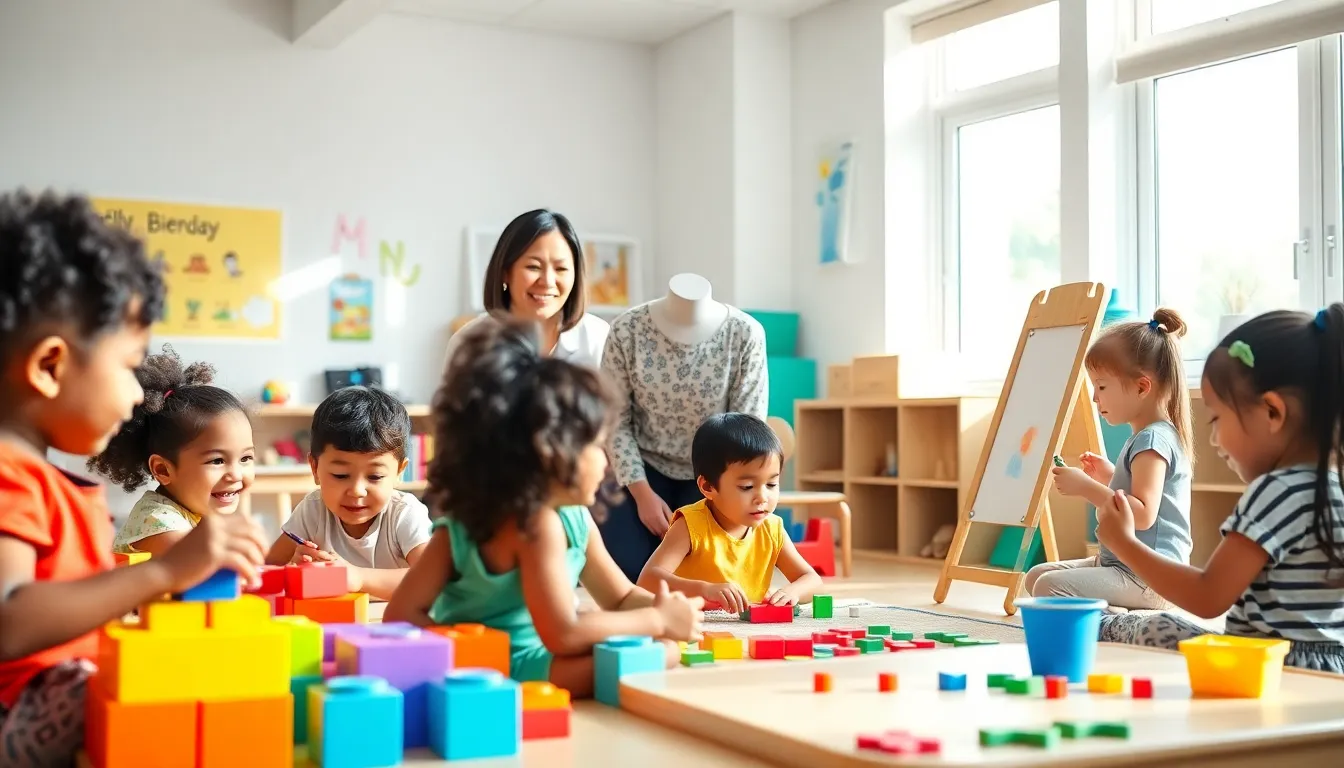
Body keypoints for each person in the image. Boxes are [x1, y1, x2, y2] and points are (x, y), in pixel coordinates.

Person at [0, 190, 267, 767]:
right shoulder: (9, 477)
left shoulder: (38, 478)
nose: (134, 394)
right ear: (50, 367)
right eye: (127, 367)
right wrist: (168, 570)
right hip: (29, 708)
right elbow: (8, 621)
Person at [386, 315, 702, 696]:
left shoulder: (570, 517)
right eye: (596, 446)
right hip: (518, 671)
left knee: (661, 645)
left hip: (530, 657)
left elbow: (618, 597)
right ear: (554, 453)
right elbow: (564, 635)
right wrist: (655, 619)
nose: (605, 461)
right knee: (662, 653)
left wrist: (669, 612)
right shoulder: (537, 526)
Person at [1096, 306, 1344, 673]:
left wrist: (1125, 545)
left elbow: (1209, 595)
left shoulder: (1275, 492)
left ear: (1272, 413)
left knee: (1152, 627)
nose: (1213, 439)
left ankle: (1098, 627)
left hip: (1265, 666)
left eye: (1217, 418)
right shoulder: (1333, 489)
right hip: (1332, 669)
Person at [1025, 308, 1194, 611]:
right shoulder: (1149, 436)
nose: (1094, 397)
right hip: (1123, 566)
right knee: (1037, 576)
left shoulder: (1152, 440)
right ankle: (1116, 610)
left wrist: (1087, 487)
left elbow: (1142, 515)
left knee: (1047, 586)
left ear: (1142, 387)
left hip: (1150, 578)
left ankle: (1118, 620)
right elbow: (1139, 494)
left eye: (1101, 387)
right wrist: (1111, 475)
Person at [637, 413, 821, 613]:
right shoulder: (690, 525)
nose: (762, 497)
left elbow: (812, 580)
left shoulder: (771, 528)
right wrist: (704, 589)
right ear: (708, 486)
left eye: (771, 484)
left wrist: (792, 592)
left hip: (747, 630)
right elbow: (647, 580)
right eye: (747, 486)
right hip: (695, 625)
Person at [264, 386, 433, 600]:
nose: (357, 491)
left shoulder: (405, 513)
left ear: (399, 472)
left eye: (375, 477)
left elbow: (431, 581)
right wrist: (294, 570)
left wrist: (358, 577)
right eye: (341, 475)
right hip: (334, 626)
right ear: (315, 468)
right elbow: (268, 568)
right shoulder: (312, 510)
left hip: (392, 626)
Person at [90, 345, 255, 557]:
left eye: (246, 458)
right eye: (217, 461)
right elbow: (209, 576)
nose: (236, 474)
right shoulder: (161, 523)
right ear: (163, 470)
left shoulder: (196, 509)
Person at [444, 209, 609, 371]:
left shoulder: (599, 338)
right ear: (505, 273)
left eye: (560, 269)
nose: (547, 281)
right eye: (533, 267)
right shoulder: (468, 344)